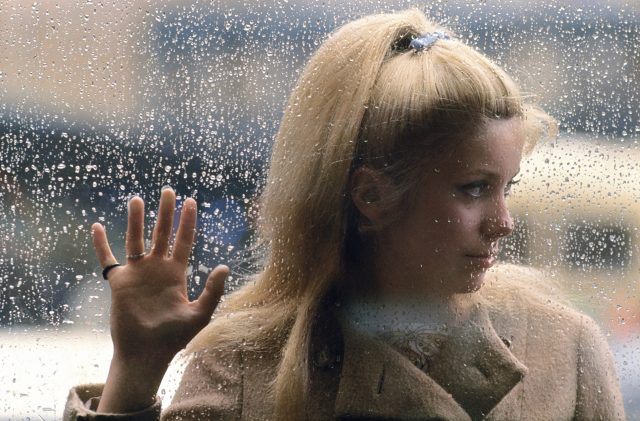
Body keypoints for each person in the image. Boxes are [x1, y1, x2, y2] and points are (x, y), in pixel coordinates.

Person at [65, 9, 625, 420]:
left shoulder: (562, 348)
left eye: (507, 187)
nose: (504, 222)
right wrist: (134, 373)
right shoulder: (245, 370)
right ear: (371, 197)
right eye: (474, 189)